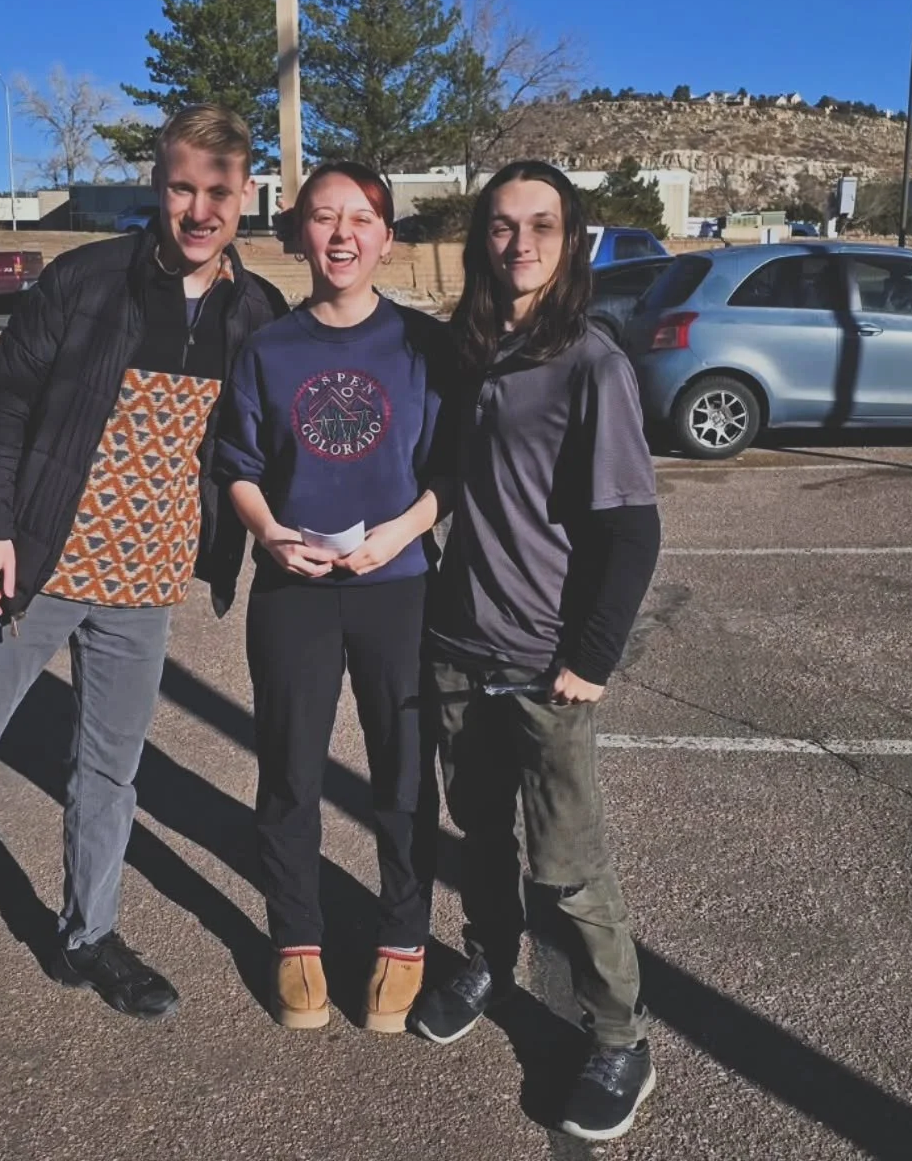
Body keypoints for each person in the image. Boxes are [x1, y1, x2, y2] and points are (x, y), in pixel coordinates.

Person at [0, 104, 287, 1020]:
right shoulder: (87, 280)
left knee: (110, 773)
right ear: (159, 186)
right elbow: (1, 404)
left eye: (219, 193)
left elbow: (260, 442)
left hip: (143, 588)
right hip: (34, 566)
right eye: (183, 188)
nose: (199, 210)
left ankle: (89, 935)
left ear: (245, 197)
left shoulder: (254, 310)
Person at [408, 161, 661, 1144]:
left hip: (544, 662)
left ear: (573, 241)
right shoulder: (473, 351)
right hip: (457, 646)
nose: (521, 244)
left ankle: (618, 1037)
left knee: (567, 866)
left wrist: (590, 658)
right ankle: (486, 958)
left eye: (542, 226)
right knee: (479, 838)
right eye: (504, 227)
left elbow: (632, 531)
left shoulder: (591, 363)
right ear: (484, 240)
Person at [214, 162, 450, 1033]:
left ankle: (404, 937)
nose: (342, 235)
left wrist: (404, 529)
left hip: (399, 588)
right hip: (294, 590)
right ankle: (297, 939)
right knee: (291, 771)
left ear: (388, 237)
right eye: (323, 217)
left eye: (362, 219)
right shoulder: (269, 348)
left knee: (402, 772)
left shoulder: (424, 346)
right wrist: (267, 532)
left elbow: (450, 470)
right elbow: (236, 465)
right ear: (297, 233)